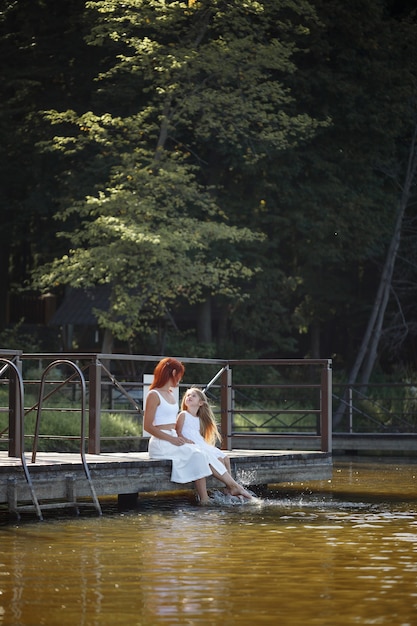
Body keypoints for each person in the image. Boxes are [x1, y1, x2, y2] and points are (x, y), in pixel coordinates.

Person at [144, 357, 252, 505]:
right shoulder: (153, 395)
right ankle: (219, 493)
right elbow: (148, 427)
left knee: (202, 452)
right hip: (161, 443)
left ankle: (224, 490)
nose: (180, 379)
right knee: (197, 454)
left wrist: (179, 438)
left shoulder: (170, 394)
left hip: (173, 439)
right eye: (179, 375)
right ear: (174, 372)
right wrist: (173, 439)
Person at [176, 387, 232, 475]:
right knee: (219, 460)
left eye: (193, 396)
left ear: (200, 403)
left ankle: (230, 485)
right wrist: (185, 440)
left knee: (225, 458)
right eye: (188, 395)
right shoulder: (183, 414)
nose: (189, 397)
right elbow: (178, 432)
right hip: (190, 444)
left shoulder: (199, 419)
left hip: (200, 443)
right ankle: (228, 484)